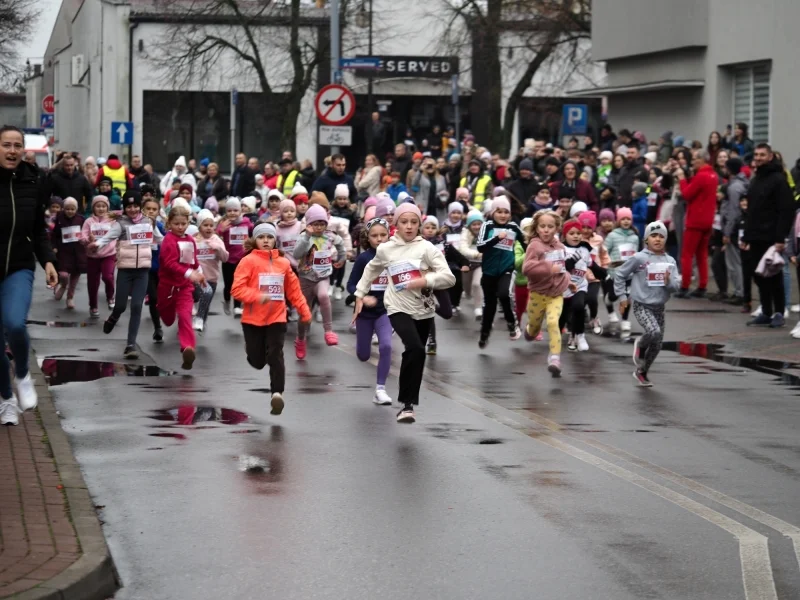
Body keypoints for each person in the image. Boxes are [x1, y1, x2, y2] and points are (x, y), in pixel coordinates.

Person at [353, 203, 455, 423]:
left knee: (415, 354)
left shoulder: (427, 248)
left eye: (414, 222)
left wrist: (425, 280)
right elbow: (371, 269)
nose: (409, 227)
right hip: (396, 307)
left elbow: (449, 277)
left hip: (424, 309)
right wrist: (360, 295)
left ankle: (407, 407)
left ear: (419, 224)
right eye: (404, 222)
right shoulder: (386, 249)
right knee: (416, 347)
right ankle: (407, 404)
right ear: (396, 224)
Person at [0, 125, 59, 425]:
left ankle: (22, 373)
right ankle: (6, 400)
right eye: (6, 145)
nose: (12, 151)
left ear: (24, 150)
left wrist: (47, 260)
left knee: (14, 323)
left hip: (18, 267)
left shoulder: (34, 180)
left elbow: (39, 229)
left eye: (17, 145)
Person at [232, 222, 311, 415]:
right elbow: (237, 289)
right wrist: (257, 296)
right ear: (255, 240)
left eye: (269, 237)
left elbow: (294, 291)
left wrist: (304, 311)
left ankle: (277, 394)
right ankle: (252, 350)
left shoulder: (283, 263)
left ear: (275, 240)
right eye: (261, 237)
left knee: (276, 354)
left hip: (277, 317)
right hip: (253, 319)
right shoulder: (248, 261)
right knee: (258, 361)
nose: (266, 241)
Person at [91, 190, 164, 359]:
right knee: (121, 306)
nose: (132, 209)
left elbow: (160, 239)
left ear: (140, 206)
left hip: (143, 271)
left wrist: (178, 240)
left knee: (137, 306)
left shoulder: (149, 222)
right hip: (125, 269)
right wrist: (97, 244)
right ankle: (114, 316)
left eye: (135, 206)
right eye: (129, 206)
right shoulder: (121, 224)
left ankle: (131, 345)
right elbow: (107, 238)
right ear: (125, 207)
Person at [616, 221, 680, 387]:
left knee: (657, 344)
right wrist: (623, 297)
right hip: (641, 304)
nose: (657, 239)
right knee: (653, 331)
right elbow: (620, 274)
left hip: (659, 307)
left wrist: (667, 282)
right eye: (653, 236)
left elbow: (675, 287)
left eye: (661, 236)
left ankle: (642, 371)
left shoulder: (670, 261)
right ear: (646, 239)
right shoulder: (639, 258)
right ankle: (640, 344)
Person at [743, 143, 795, 328]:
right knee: (759, 276)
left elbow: (786, 210)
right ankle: (766, 311)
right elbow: (752, 211)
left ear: (770, 156)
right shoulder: (756, 179)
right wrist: (746, 237)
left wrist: (781, 238)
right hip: (755, 236)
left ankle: (779, 312)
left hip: (772, 237)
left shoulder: (778, 179)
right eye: (756, 154)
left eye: (762, 155)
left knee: (774, 276)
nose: (758, 157)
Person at [347, 217, 394, 405]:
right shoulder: (364, 258)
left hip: (386, 310)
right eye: (375, 236)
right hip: (364, 313)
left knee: (386, 346)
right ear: (368, 238)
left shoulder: (394, 256)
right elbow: (351, 284)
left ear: (389, 235)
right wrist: (362, 296)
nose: (380, 239)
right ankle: (362, 341)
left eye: (383, 235)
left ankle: (380, 389)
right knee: (363, 355)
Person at [522, 210, 570, 377]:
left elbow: (562, 269)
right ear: (537, 228)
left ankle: (555, 358)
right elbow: (526, 268)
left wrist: (569, 281)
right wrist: (548, 268)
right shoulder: (534, 246)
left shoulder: (560, 247)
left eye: (550, 226)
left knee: (552, 322)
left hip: (556, 294)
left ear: (556, 229)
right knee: (535, 328)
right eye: (542, 226)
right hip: (538, 294)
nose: (546, 230)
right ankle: (530, 330)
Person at [157, 204, 205, 370]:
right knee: (168, 319)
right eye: (176, 224)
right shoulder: (168, 241)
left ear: (188, 223)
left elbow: (194, 261)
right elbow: (169, 263)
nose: (180, 227)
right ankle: (164, 312)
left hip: (185, 288)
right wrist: (187, 273)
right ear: (169, 223)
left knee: (185, 317)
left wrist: (199, 274)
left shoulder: (190, 240)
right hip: (167, 287)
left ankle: (187, 349)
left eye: (183, 224)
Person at [293, 204, 346, 355]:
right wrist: (307, 237)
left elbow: (341, 244)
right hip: (305, 279)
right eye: (315, 224)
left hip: (322, 277)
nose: (318, 227)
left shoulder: (329, 236)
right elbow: (296, 254)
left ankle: (329, 331)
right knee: (305, 314)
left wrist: (342, 258)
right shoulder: (304, 237)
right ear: (309, 224)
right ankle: (301, 339)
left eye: (321, 224)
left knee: (324, 296)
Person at [476, 196, 526, 348]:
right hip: (489, 271)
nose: (503, 215)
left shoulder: (513, 227)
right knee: (490, 305)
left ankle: (512, 324)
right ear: (492, 213)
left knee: (504, 294)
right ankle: (484, 334)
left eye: (506, 212)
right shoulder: (487, 226)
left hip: (506, 268)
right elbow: (480, 246)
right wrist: (496, 239)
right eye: (499, 212)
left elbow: (527, 245)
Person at [674, 150, 718, 298]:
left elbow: (686, 194)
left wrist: (681, 179)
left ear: (701, 160)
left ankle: (685, 286)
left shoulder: (701, 176)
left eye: (694, 159)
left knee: (687, 255)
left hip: (695, 221)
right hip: (707, 220)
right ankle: (702, 285)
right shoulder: (713, 175)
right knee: (702, 255)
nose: (692, 162)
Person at [560, 219, 607, 352]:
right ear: (565, 235)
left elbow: (592, 265)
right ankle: (564, 337)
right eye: (572, 233)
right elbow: (563, 267)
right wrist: (574, 259)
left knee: (579, 306)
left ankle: (580, 336)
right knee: (562, 317)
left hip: (580, 285)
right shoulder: (561, 248)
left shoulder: (585, 248)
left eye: (578, 233)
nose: (576, 236)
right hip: (563, 287)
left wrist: (605, 275)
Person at [217, 198, 255, 317]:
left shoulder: (246, 223)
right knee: (228, 285)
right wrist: (221, 230)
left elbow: (253, 233)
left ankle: (237, 307)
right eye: (229, 211)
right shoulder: (224, 224)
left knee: (239, 283)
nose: (232, 213)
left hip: (242, 259)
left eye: (235, 210)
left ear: (240, 211)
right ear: (226, 212)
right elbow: (215, 236)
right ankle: (227, 301)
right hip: (228, 260)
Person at [193, 209, 229, 332]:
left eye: (211, 225)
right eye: (205, 225)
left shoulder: (217, 240)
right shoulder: (194, 240)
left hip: (212, 278)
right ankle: (197, 317)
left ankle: (201, 319)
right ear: (199, 226)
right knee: (202, 296)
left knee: (206, 301)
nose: (208, 228)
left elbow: (225, 258)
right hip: (197, 277)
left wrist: (218, 249)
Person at [81, 195, 116, 318]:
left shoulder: (112, 221)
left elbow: (117, 234)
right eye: (98, 206)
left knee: (107, 277)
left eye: (103, 206)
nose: (101, 209)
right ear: (93, 208)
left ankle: (110, 296)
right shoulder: (88, 221)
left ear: (107, 208)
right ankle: (93, 306)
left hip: (109, 254)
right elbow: (82, 236)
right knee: (93, 283)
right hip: (93, 256)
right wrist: (88, 240)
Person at [51, 197, 87, 310]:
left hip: (78, 252)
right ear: (63, 209)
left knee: (75, 276)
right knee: (63, 275)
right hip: (64, 252)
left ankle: (70, 297)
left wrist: (86, 242)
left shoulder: (81, 220)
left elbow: (86, 233)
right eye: (67, 209)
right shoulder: (59, 218)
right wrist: (54, 246)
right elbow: (54, 234)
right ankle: (63, 285)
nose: (70, 211)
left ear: (76, 209)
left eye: (72, 209)